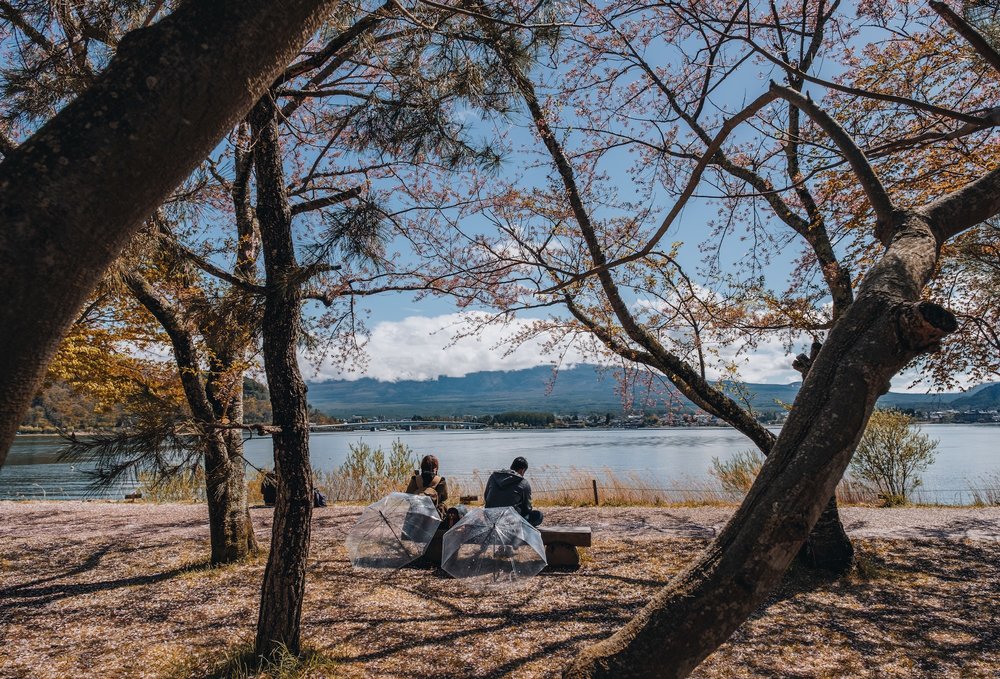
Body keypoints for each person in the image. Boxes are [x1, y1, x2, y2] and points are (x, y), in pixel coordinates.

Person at [484, 456, 542, 526]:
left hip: (490, 517)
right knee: (538, 515)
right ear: (522, 470)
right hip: (510, 521)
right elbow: (527, 508)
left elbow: (486, 497)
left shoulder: (493, 476)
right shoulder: (523, 482)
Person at [406, 454, 448, 519]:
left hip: (416, 514)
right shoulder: (440, 481)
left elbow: (408, 496)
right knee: (443, 505)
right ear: (435, 468)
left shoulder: (415, 479)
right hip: (433, 516)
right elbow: (445, 498)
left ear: (422, 466)